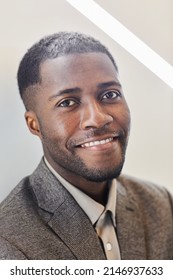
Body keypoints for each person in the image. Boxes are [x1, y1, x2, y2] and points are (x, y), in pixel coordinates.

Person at [0, 32, 172, 260]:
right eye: (67, 102)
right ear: (35, 125)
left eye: (110, 94)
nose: (98, 118)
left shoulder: (161, 204)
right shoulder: (9, 240)